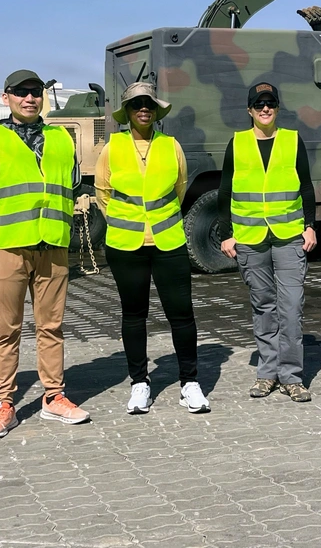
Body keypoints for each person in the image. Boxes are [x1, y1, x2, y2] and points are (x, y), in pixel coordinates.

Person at [0, 69, 90, 438]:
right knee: (7, 329)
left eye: (35, 92)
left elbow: (72, 183)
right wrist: (4, 224)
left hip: (53, 246)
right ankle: (5, 403)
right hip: (10, 248)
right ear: (6, 98)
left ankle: (54, 397)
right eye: (21, 92)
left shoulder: (61, 138)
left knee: (51, 327)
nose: (30, 98)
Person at [95, 82, 209, 415]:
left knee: (181, 314)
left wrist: (157, 220)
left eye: (148, 103)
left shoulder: (171, 146)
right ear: (127, 112)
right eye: (136, 104)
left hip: (168, 241)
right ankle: (139, 383)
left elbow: (180, 188)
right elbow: (103, 193)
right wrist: (128, 221)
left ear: (156, 110)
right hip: (125, 245)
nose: (143, 108)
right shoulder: (112, 147)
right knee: (134, 315)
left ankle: (189, 382)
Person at [218, 82, 317, 402]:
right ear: (249, 110)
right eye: (259, 104)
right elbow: (224, 191)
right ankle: (267, 373)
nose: (265, 109)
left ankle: (291, 377)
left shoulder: (292, 140)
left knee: (291, 308)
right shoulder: (237, 143)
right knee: (263, 307)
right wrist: (226, 234)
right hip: (250, 238)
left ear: (277, 108)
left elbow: (306, 186)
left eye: (270, 104)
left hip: (289, 236)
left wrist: (310, 226)